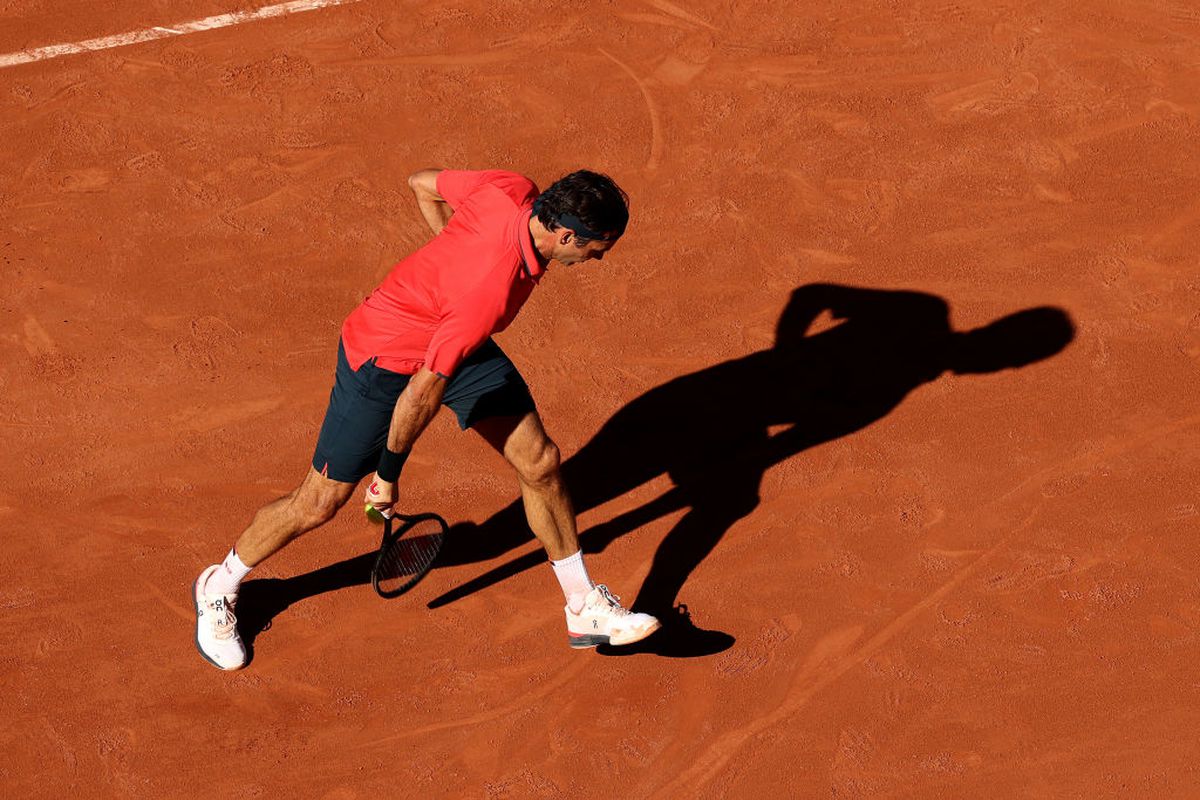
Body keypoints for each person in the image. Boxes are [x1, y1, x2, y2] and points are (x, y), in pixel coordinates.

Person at [193, 168, 661, 670]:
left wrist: (453, 263)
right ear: (566, 235)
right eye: (596, 249)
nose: (597, 259)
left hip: (456, 340)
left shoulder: (511, 190)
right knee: (319, 502)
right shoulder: (487, 289)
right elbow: (421, 393)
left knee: (539, 461)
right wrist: (386, 476)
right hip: (383, 358)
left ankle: (583, 606)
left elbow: (422, 183)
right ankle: (219, 584)